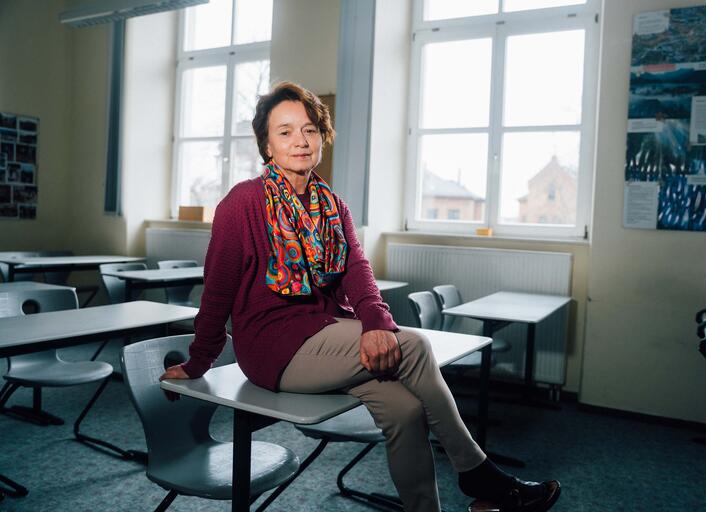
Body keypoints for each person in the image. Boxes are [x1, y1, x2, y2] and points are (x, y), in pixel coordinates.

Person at [159, 81, 561, 512]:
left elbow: (357, 272)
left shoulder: (333, 205)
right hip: (272, 348)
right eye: (285, 131)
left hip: (329, 335)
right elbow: (217, 292)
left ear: (322, 138)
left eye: (310, 130)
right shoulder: (242, 204)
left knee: (406, 411)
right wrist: (199, 360)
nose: (300, 140)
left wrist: (375, 323)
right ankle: (480, 475)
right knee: (416, 345)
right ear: (267, 145)